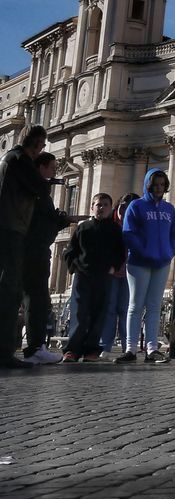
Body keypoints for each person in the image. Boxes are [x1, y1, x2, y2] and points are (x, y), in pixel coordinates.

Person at [116, 170, 175, 364]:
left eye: (162, 184)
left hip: (162, 262)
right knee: (135, 305)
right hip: (139, 262)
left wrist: (170, 252)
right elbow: (129, 233)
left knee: (154, 306)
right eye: (155, 185)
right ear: (148, 185)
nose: (159, 188)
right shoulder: (136, 206)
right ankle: (130, 349)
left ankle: (152, 349)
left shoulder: (169, 209)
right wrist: (143, 251)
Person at [0, 124, 49, 369]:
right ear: (37, 144)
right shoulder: (19, 160)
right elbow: (40, 187)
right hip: (11, 229)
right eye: (42, 146)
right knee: (10, 292)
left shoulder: (8, 159)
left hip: (7, 228)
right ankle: (4, 352)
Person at [21, 152, 72, 363]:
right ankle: (35, 348)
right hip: (34, 250)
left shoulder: (33, 190)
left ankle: (36, 346)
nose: (55, 171)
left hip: (33, 249)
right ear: (41, 167)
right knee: (36, 300)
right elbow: (39, 222)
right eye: (52, 167)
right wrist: (61, 219)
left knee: (34, 300)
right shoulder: (36, 191)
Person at [62, 193, 125, 362]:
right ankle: (72, 350)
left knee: (99, 313)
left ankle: (92, 349)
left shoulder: (115, 229)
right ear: (92, 207)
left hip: (104, 276)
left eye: (105, 205)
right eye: (98, 205)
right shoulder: (83, 228)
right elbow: (70, 251)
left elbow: (120, 252)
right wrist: (74, 266)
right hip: (83, 276)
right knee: (79, 314)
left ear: (110, 208)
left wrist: (114, 267)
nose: (102, 208)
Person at [99, 192, 138, 358]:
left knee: (125, 309)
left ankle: (126, 346)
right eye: (124, 208)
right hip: (111, 270)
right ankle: (105, 346)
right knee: (109, 308)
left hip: (130, 269)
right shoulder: (110, 224)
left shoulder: (137, 223)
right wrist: (113, 267)